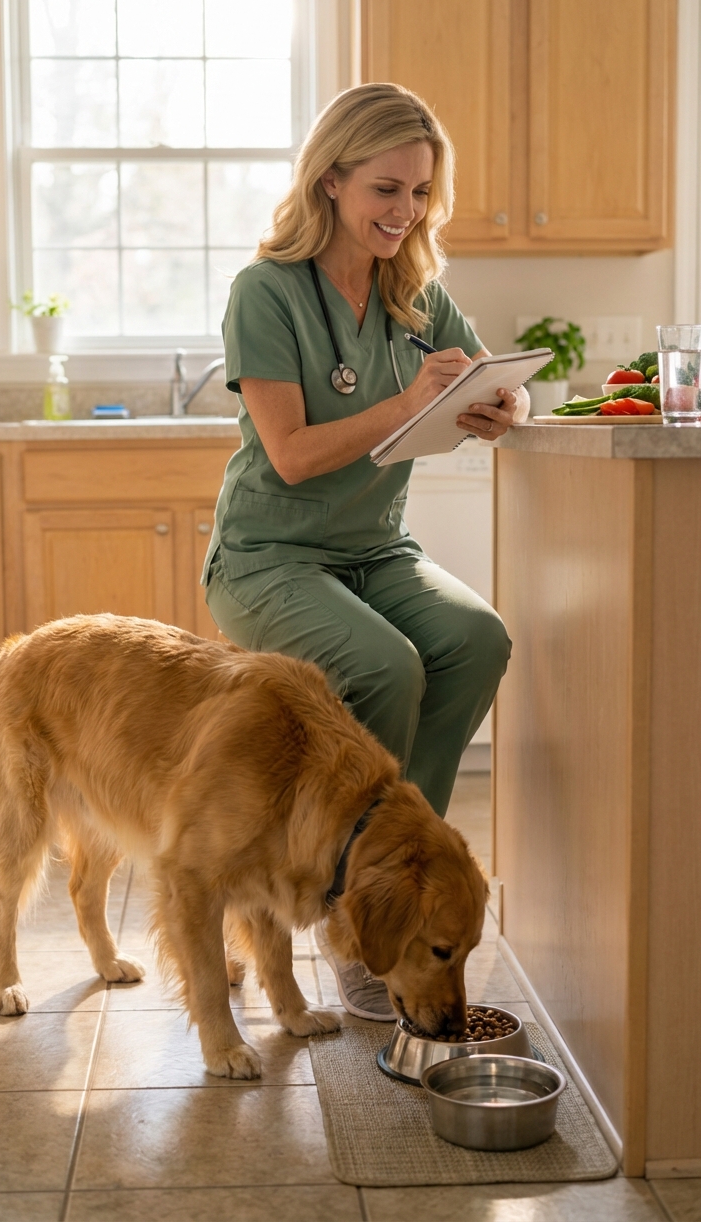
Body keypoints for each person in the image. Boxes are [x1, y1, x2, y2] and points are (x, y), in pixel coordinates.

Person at [203, 82, 528, 1019]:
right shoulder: (266, 293)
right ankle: (359, 919)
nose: (405, 212)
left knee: (476, 640)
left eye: (421, 193)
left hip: (374, 551)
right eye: (387, 189)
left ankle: (393, 880)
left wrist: (503, 407)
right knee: (385, 667)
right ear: (333, 180)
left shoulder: (417, 294)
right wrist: (409, 402)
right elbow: (295, 457)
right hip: (269, 556)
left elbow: (491, 379)